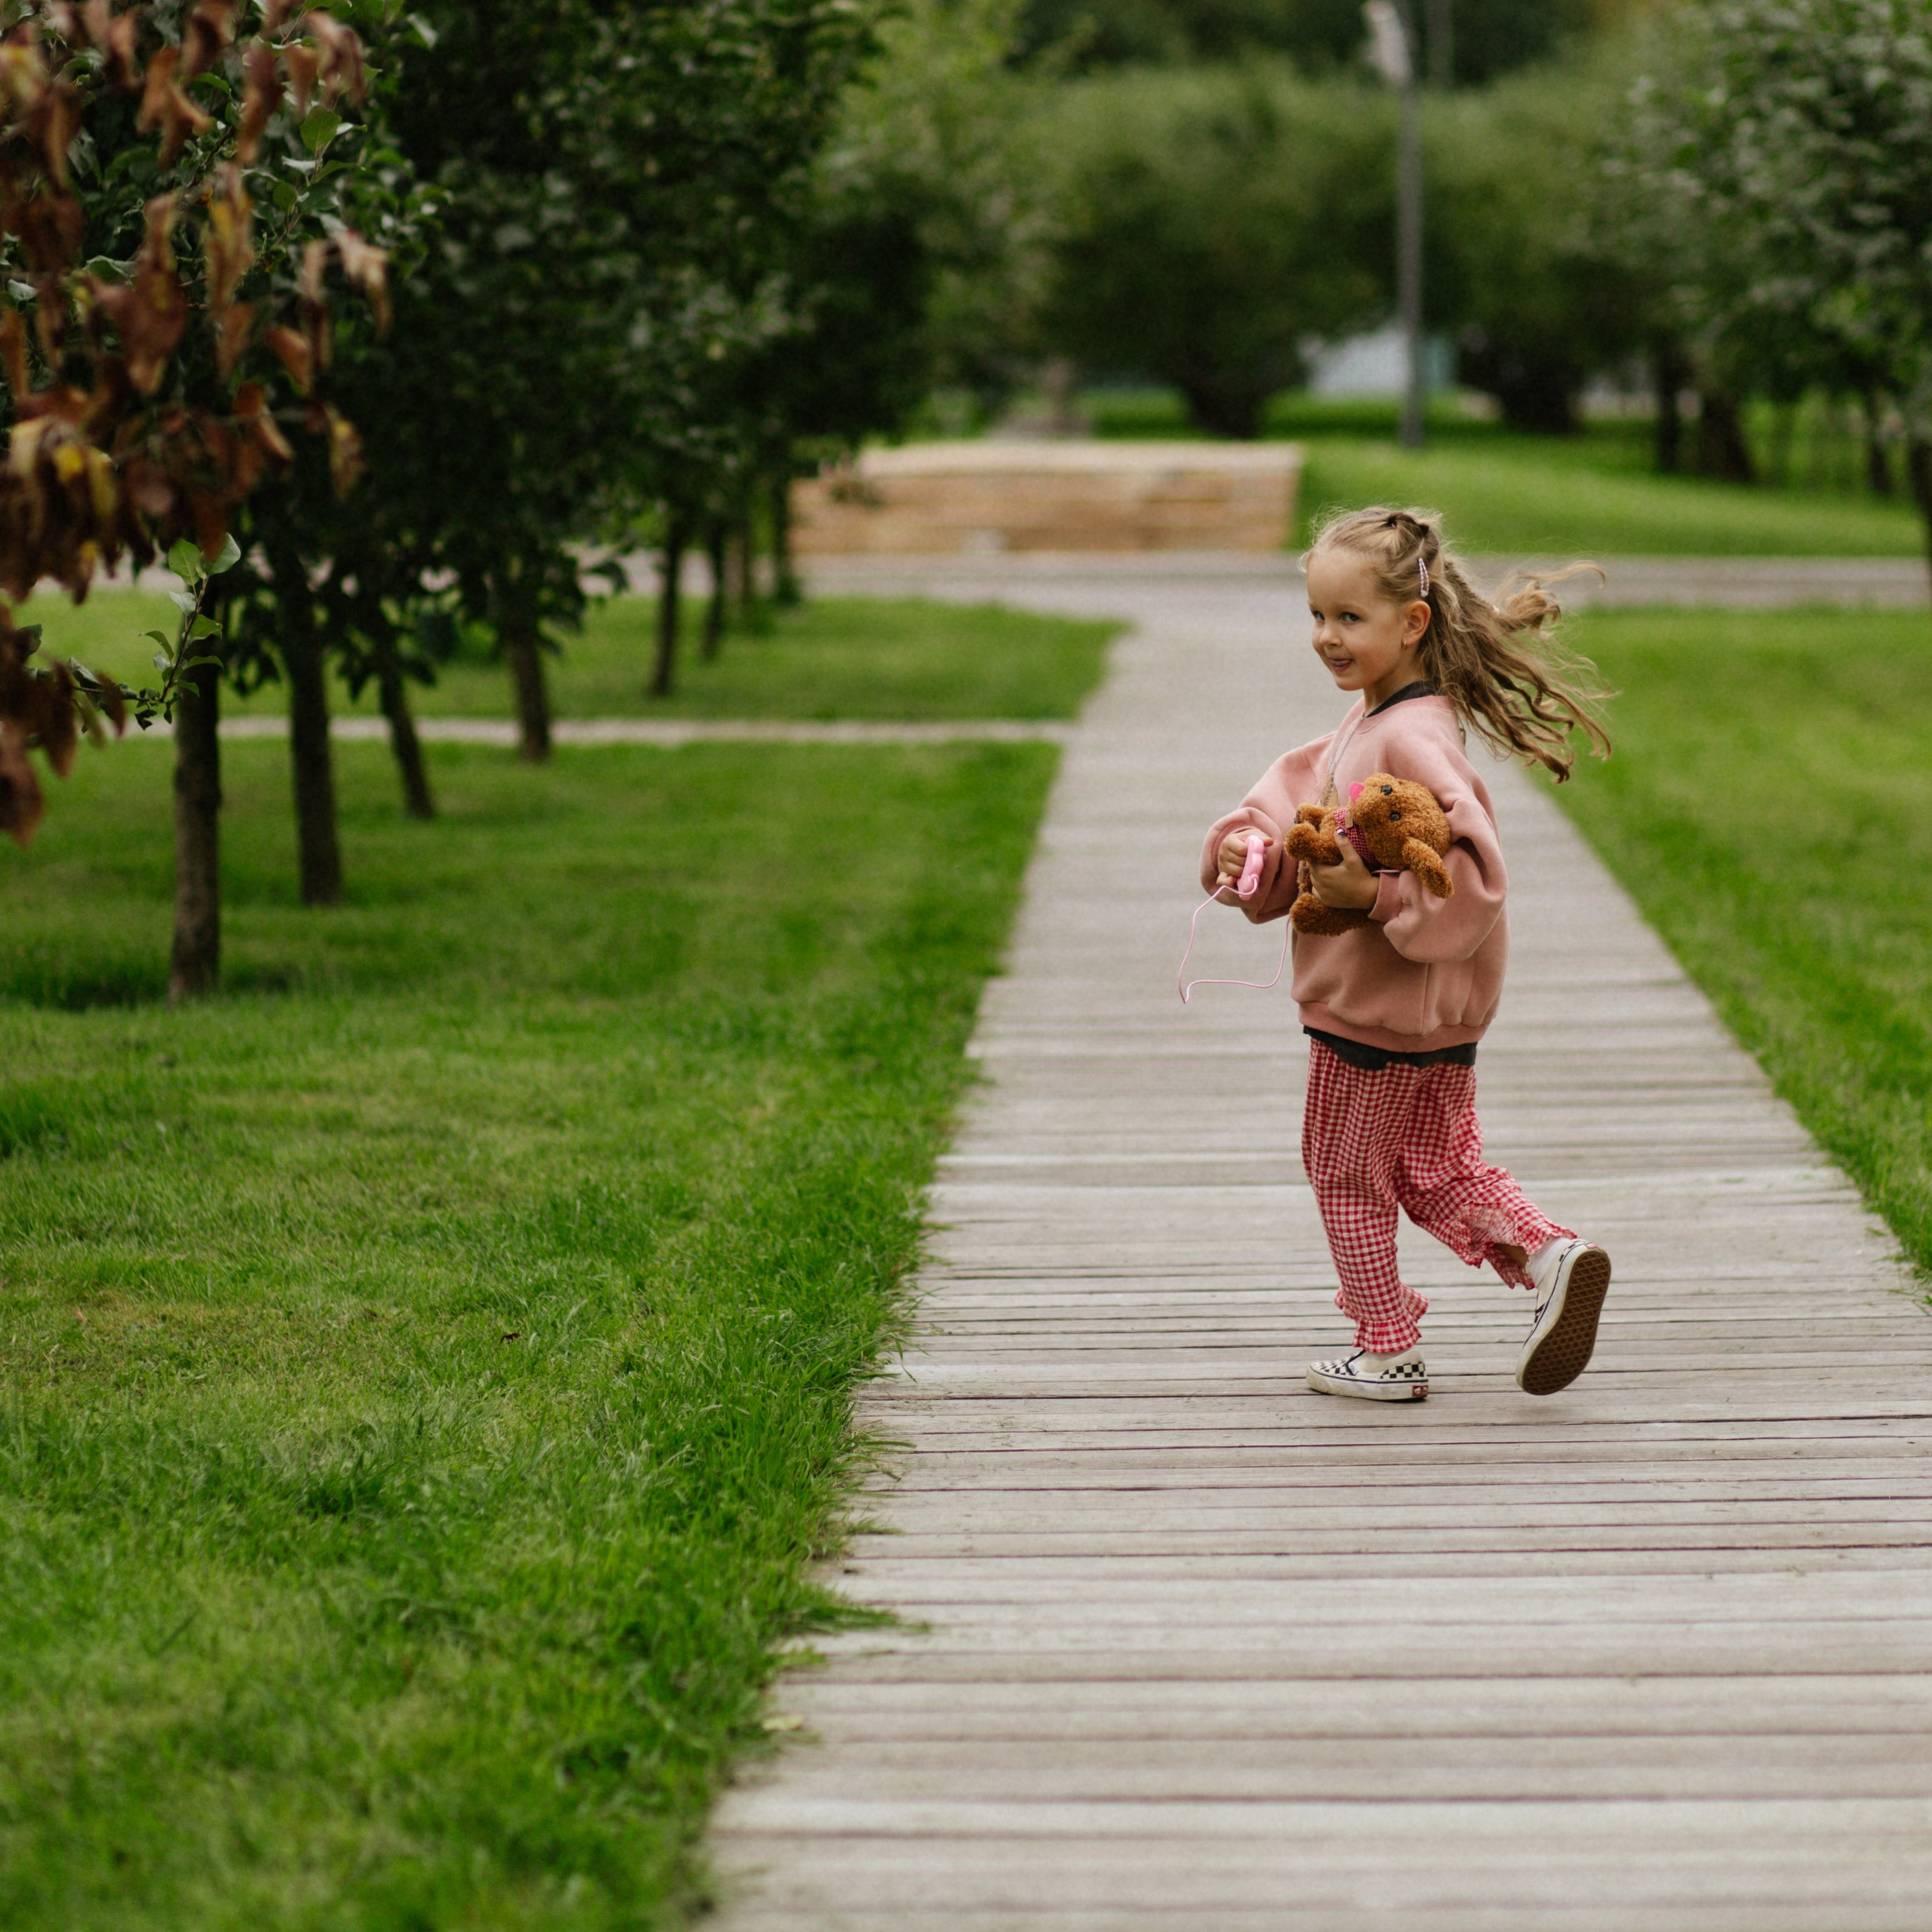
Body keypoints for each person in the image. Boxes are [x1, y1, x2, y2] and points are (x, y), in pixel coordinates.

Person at [1200, 506, 1613, 1401]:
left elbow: (1474, 872)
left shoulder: (1407, 735)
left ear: (1411, 622)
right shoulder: (1378, 722)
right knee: (1437, 1168)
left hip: (1370, 1015)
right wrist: (1247, 849)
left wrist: (1377, 896)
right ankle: (1549, 1255)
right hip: (1439, 1020)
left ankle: (1386, 1346)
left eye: (1348, 618)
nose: (1325, 637)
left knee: (1344, 1171)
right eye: (1315, 615)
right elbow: (1294, 800)